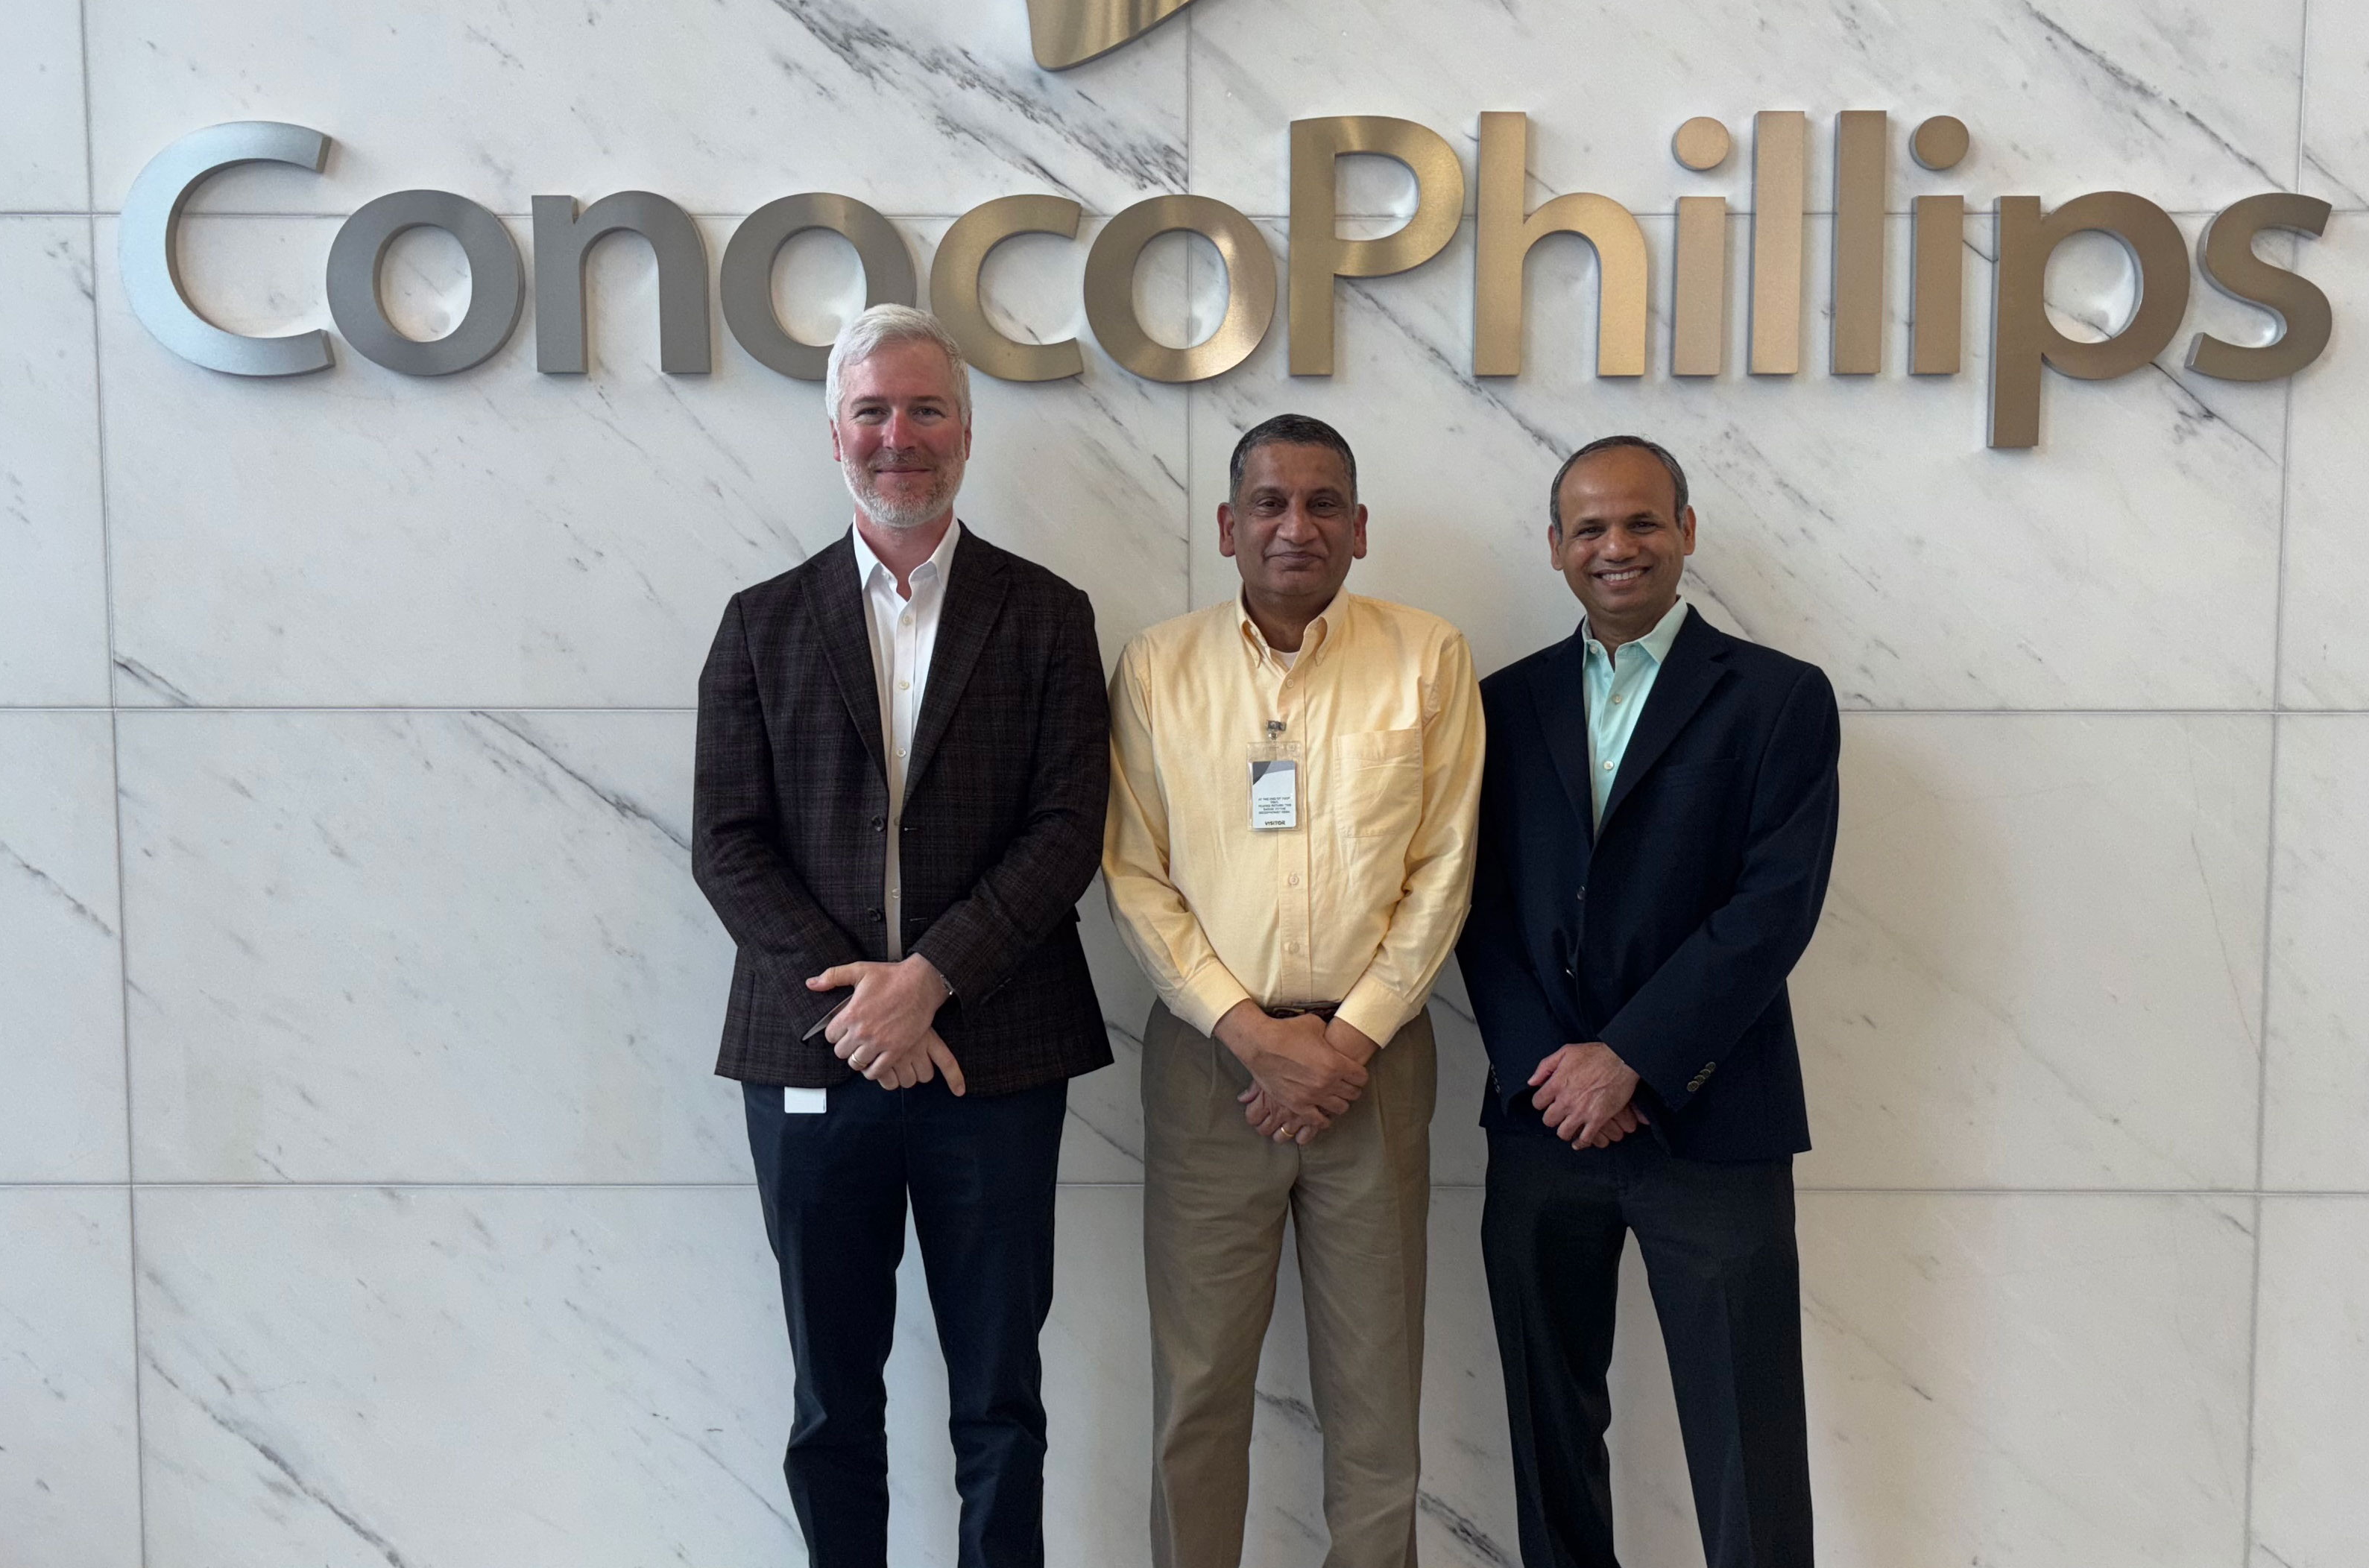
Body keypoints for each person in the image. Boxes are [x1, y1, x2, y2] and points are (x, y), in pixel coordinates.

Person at [690, 303, 1112, 1568]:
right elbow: (726, 842)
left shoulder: (1045, 615)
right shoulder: (760, 622)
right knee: (832, 1402)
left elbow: (1066, 827)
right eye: (872, 411)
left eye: (925, 409)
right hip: (811, 1062)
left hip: (999, 1057)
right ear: (835, 437)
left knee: (1001, 1397)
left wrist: (928, 980)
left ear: (967, 434)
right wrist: (858, 1011)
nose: (898, 436)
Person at [1102, 414, 1485, 1568]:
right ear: (1226, 526)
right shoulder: (1160, 666)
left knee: (1376, 1401)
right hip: (1208, 1065)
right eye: (1268, 503)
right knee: (1198, 1390)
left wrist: (1346, 1039)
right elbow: (1134, 871)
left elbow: (1445, 868)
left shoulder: (1427, 657)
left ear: (1358, 530)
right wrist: (1248, 1031)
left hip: (1376, 1063)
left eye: (1323, 505)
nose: (1294, 526)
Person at [1456, 435, 1841, 1568]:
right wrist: (1554, 1068)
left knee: (1746, 1438)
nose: (1614, 548)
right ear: (1554, 547)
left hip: (1712, 1122)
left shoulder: (1777, 698)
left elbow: (1773, 907)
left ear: (1684, 530)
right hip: (1541, 1125)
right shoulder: (1497, 705)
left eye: (1639, 524)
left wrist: (1628, 1058)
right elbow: (1473, 907)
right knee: (1547, 1427)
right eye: (1589, 528)